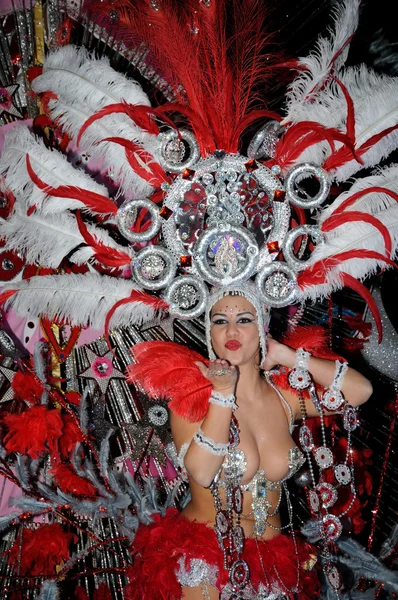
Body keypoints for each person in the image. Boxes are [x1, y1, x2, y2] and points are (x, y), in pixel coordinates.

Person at [126, 286, 373, 600]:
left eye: (244, 319)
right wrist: (222, 393)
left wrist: (288, 355)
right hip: (205, 561)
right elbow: (202, 472)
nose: (231, 330)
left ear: (262, 327)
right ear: (209, 331)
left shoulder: (285, 398)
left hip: (273, 562)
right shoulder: (191, 395)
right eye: (219, 321)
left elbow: (359, 392)